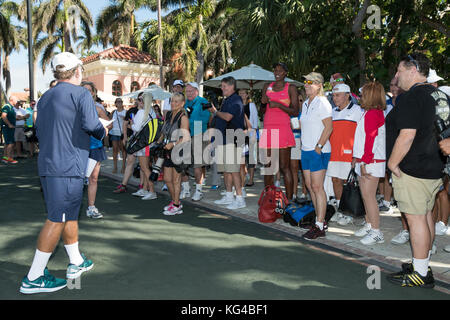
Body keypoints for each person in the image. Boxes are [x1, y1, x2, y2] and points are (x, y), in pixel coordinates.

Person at [19, 52, 107, 294]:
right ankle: (34, 276)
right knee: (57, 218)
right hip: (67, 166)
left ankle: (76, 260)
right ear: (78, 71)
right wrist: (103, 132)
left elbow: (40, 129)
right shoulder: (81, 93)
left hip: (49, 166)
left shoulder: (46, 97)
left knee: (68, 214)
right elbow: (92, 126)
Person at [386, 52, 447, 288]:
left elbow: (407, 134)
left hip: (413, 168)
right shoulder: (438, 94)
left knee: (415, 219)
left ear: (412, 70)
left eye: (399, 70)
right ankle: (422, 264)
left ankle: (420, 274)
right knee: (424, 216)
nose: (396, 75)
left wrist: (392, 163)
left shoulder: (413, 97)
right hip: (434, 166)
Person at [351, 82, 387, 245]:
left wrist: (364, 160)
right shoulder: (369, 112)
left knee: (369, 197)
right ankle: (369, 224)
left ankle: (376, 231)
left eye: (363, 93)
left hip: (371, 160)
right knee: (366, 196)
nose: (360, 96)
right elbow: (363, 139)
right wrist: (358, 158)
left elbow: (370, 140)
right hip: (365, 159)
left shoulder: (373, 114)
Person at [259, 62, 299, 202]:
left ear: (285, 73)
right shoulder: (267, 86)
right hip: (269, 127)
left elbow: (295, 111)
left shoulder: (291, 88)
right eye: (275, 70)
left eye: (280, 71)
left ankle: (288, 201)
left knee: (284, 167)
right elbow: (261, 111)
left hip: (283, 128)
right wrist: (263, 103)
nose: (277, 73)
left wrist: (279, 105)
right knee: (268, 166)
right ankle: (268, 199)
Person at [299, 72, 333, 240]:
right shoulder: (305, 103)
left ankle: (320, 224)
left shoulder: (323, 103)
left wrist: (319, 146)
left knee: (317, 187)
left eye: (310, 82)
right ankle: (318, 219)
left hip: (318, 151)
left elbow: (329, 128)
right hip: (305, 150)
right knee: (310, 186)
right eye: (305, 81)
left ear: (319, 85)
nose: (306, 84)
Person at [326, 83, 363, 225]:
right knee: (336, 180)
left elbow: (361, 135)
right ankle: (341, 210)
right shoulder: (332, 112)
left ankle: (350, 212)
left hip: (349, 154)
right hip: (334, 153)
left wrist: (357, 154)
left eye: (338, 95)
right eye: (333, 96)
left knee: (349, 184)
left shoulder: (357, 111)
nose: (335, 98)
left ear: (347, 95)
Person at [209, 76, 246, 210]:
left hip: (232, 138)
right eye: (222, 86)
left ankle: (240, 199)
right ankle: (229, 195)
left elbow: (227, 117)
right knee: (225, 170)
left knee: (234, 170)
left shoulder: (236, 100)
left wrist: (215, 112)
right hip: (223, 138)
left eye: (224, 86)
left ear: (231, 87)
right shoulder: (227, 100)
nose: (222, 88)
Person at [81, 81, 111, 219]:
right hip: (79, 147)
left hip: (95, 147)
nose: (87, 92)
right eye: (84, 90)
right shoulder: (75, 108)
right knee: (77, 179)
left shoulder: (98, 109)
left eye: (89, 90)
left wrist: (104, 128)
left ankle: (91, 207)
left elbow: (109, 125)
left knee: (93, 178)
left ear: (93, 93)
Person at [160, 92, 190, 215]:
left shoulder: (183, 117)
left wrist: (173, 144)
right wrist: (158, 140)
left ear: (182, 103)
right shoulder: (168, 115)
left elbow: (186, 136)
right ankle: (175, 201)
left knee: (176, 180)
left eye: (176, 101)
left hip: (179, 151)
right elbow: (164, 131)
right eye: (172, 101)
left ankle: (177, 205)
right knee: (167, 179)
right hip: (167, 150)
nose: (173, 103)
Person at [183, 82, 212, 202]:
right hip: (186, 136)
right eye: (187, 91)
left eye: (191, 91)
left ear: (196, 91)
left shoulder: (204, 102)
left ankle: (198, 191)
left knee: (197, 165)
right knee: (183, 164)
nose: (188, 93)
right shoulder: (185, 103)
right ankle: (185, 189)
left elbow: (206, 119)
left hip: (199, 135)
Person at [131, 92, 158, 200]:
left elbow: (136, 128)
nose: (138, 101)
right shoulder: (152, 112)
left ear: (142, 101)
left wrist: (131, 125)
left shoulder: (141, 112)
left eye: (139, 99)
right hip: (149, 143)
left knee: (144, 168)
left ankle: (151, 191)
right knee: (145, 167)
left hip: (142, 144)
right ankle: (145, 189)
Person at [113, 96, 141, 194]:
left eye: (143, 99)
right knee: (130, 161)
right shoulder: (132, 111)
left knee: (144, 165)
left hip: (145, 141)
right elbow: (126, 124)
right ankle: (124, 184)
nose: (140, 101)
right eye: (139, 99)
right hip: (132, 139)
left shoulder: (150, 111)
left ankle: (144, 186)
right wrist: (125, 137)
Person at [238, 88, 258, 188]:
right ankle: (243, 177)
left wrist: (253, 134)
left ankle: (251, 179)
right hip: (239, 134)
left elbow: (255, 120)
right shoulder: (237, 106)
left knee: (250, 158)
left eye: (243, 93)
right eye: (240, 93)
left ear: (247, 95)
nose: (241, 95)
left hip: (250, 134)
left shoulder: (251, 105)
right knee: (242, 158)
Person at [109, 97, 127, 174]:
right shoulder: (113, 112)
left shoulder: (125, 112)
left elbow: (130, 121)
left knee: (123, 149)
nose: (119, 103)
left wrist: (124, 118)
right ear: (115, 104)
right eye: (118, 102)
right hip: (114, 132)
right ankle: (115, 167)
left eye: (121, 101)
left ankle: (123, 167)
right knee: (115, 150)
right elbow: (110, 121)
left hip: (122, 133)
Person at [1, 95, 20, 164]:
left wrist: (23, 117)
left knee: (7, 143)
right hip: (7, 127)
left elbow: (13, 117)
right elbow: (3, 116)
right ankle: (9, 158)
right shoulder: (7, 106)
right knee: (10, 143)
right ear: (12, 100)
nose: (17, 102)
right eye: (16, 100)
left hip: (9, 127)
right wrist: (9, 124)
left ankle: (5, 157)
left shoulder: (11, 108)